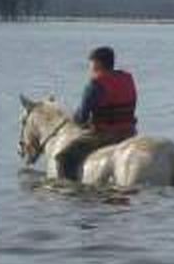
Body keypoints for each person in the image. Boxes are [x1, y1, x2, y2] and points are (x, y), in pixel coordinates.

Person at [54, 46, 138, 180]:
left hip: (105, 135)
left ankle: (68, 189)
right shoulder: (127, 78)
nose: (90, 67)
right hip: (130, 132)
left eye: (91, 63)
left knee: (63, 157)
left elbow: (81, 118)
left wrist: (74, 118)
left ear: (97, 63)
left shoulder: (95, 84)